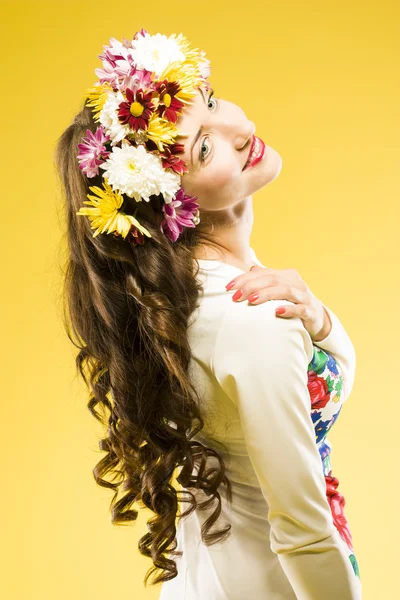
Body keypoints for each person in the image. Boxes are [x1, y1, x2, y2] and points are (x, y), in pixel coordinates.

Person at [54, 29, 361, 599]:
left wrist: (318, 319)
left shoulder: (200, 297)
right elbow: (301, 532)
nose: (242, 130)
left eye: (214, 102)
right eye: (202, 147)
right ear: (172, 204)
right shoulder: (250, 316)